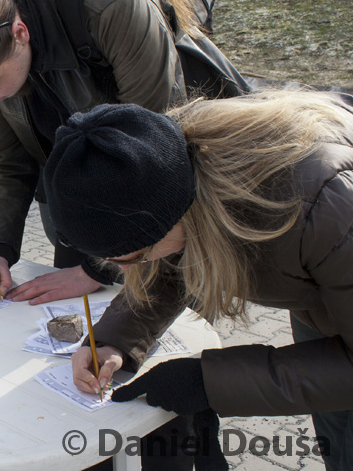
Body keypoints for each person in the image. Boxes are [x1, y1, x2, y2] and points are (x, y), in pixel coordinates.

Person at [0, 0, 249, 306]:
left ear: (20, 33)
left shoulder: (114, 6)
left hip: (172, 206)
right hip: (86, 206)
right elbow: (4, 162)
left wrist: (96, 270)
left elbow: (157, 155)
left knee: (155, 325)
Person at [42, 92, 353, 470]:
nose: (124, 272)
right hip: (324, 296)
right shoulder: (171, 168)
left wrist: (212, 382)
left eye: (132, 256)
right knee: (337, 428)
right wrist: (113, 341)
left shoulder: (326, 211)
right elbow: (169, 260)